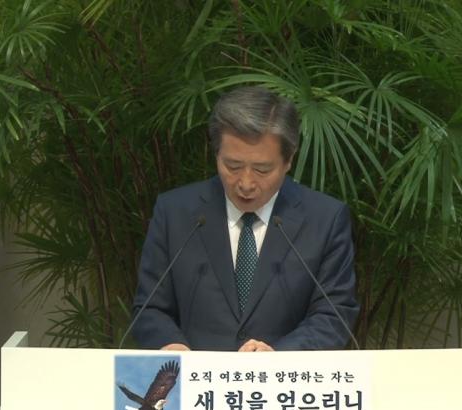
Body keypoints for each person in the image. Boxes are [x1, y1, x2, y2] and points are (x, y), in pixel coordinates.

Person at [131, 86, 359, 351]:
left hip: (282, 375)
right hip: (193, 374)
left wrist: (279, 356)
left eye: (262, 169)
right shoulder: (175, 212)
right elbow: (150, 308)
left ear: (289, 160)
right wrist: (171, 345)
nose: (246, 183)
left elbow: (333, 314)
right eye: (233, 166)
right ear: (216, 154)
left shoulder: (325, 219)